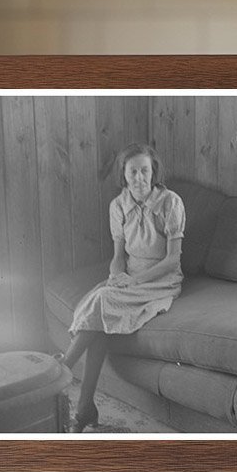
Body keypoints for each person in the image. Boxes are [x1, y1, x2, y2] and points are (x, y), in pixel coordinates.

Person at [55, 143, 185, 432]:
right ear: (124, 175)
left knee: (100, 301)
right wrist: (117, 275)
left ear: (154, 173)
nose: (139, 178)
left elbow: (173, 259)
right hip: (129, 276)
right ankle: (86, 407)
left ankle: (63, 367)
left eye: (145, 171)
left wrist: (134, 281)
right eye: (133, 172)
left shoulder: (170, 202)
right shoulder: (118, 205)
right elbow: (118, 256)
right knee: (99, 317)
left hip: (160, 280)